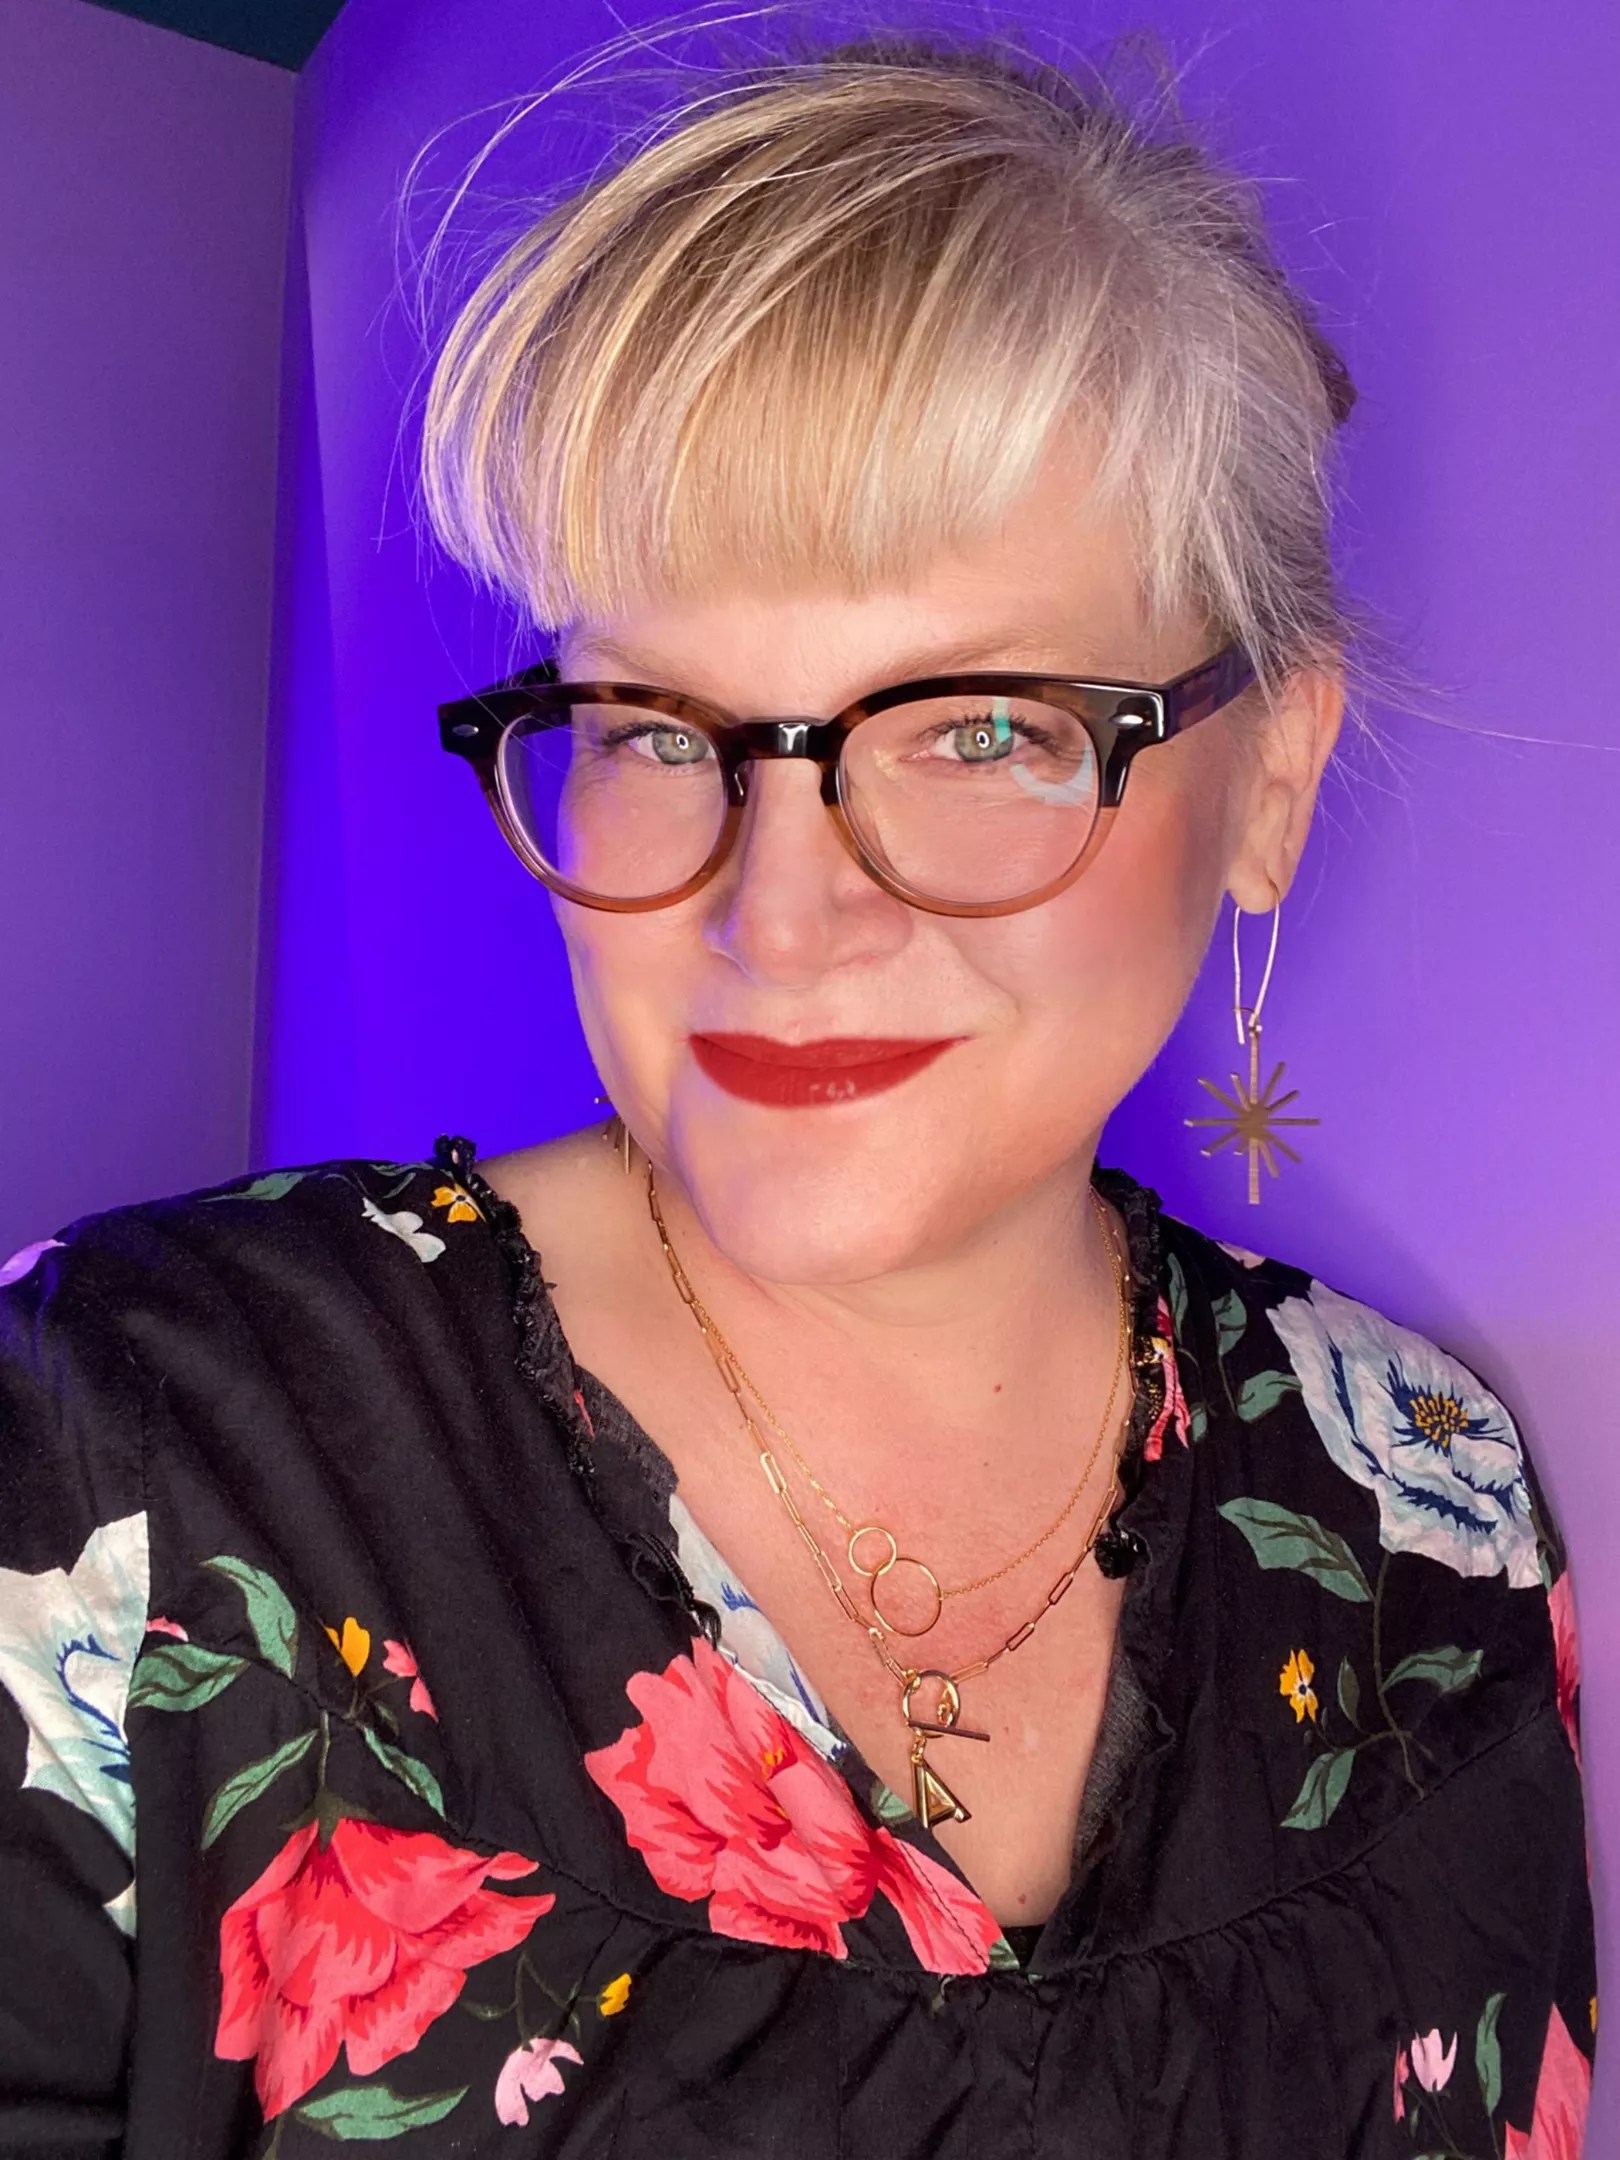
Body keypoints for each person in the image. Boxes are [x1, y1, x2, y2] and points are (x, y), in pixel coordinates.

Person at [0, 32, 1596, 2159]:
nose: (778, 912)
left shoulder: (1429, 1509)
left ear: (1270, 785)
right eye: (659, 729)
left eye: (986, 728)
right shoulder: (119, 1458)